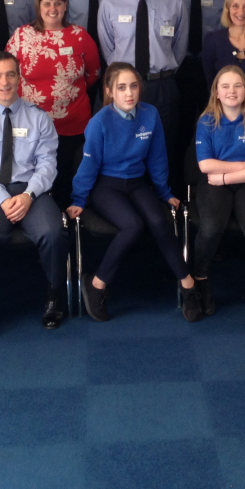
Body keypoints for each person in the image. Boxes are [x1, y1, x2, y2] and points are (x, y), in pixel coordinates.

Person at [66, 62, 200, 322]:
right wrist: (79, 199)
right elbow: (89, 164)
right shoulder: (99, 122)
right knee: (132, 225)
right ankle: (96, 284)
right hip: (106, 186)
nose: (129, 93)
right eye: (122, 87)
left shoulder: (149, 115)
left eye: (134, 86)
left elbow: (157, 158)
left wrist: (164, 192)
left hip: (137, 183)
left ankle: (188, 286)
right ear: (110, 92)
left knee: (160, 222)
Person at [0, 52, 69, 337]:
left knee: (52, 232)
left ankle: (53, 295)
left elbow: (48, 164)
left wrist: (28, 195)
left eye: (10, 74)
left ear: (19, 78)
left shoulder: (39, 117)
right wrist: (4, 199)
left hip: (31, 189)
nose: (5, 82)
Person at [97, 0, 188, 189]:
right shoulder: (111, 2)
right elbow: (107, 47)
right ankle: (128, 200)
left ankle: (165, 205)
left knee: (166, 145)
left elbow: (179, 49)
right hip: (123, 88)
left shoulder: (174, 2)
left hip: (161, 86)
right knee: (123, 146)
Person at [6, 0, 100, 209]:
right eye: (47, 3)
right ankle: (39, 219)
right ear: (38, 6)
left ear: (66, 6)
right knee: (33, 177)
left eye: (58, 3)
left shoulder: (79, 35)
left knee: (66, 177)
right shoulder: (22, 36)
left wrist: (69, 93)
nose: (53, 8)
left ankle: (66, 225)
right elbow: (8, 74)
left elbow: (94, 72)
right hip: (31, 123)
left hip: (72, 123)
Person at [191, 65, 245, 315]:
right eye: (225, 86)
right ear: (216, 92)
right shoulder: (206, 121)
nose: (231, 91)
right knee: (210, 228)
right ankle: (201, 281)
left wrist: (226, 176)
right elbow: (205, 165)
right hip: (214, 182)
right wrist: (244, 165)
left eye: (237, 85)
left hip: (243, 182)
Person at [164, 0, 231, 172]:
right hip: (179, 67)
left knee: (215, 128)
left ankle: (214, 183)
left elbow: (229, 30)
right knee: (178, 131)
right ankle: (176, 190)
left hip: (210, 68)